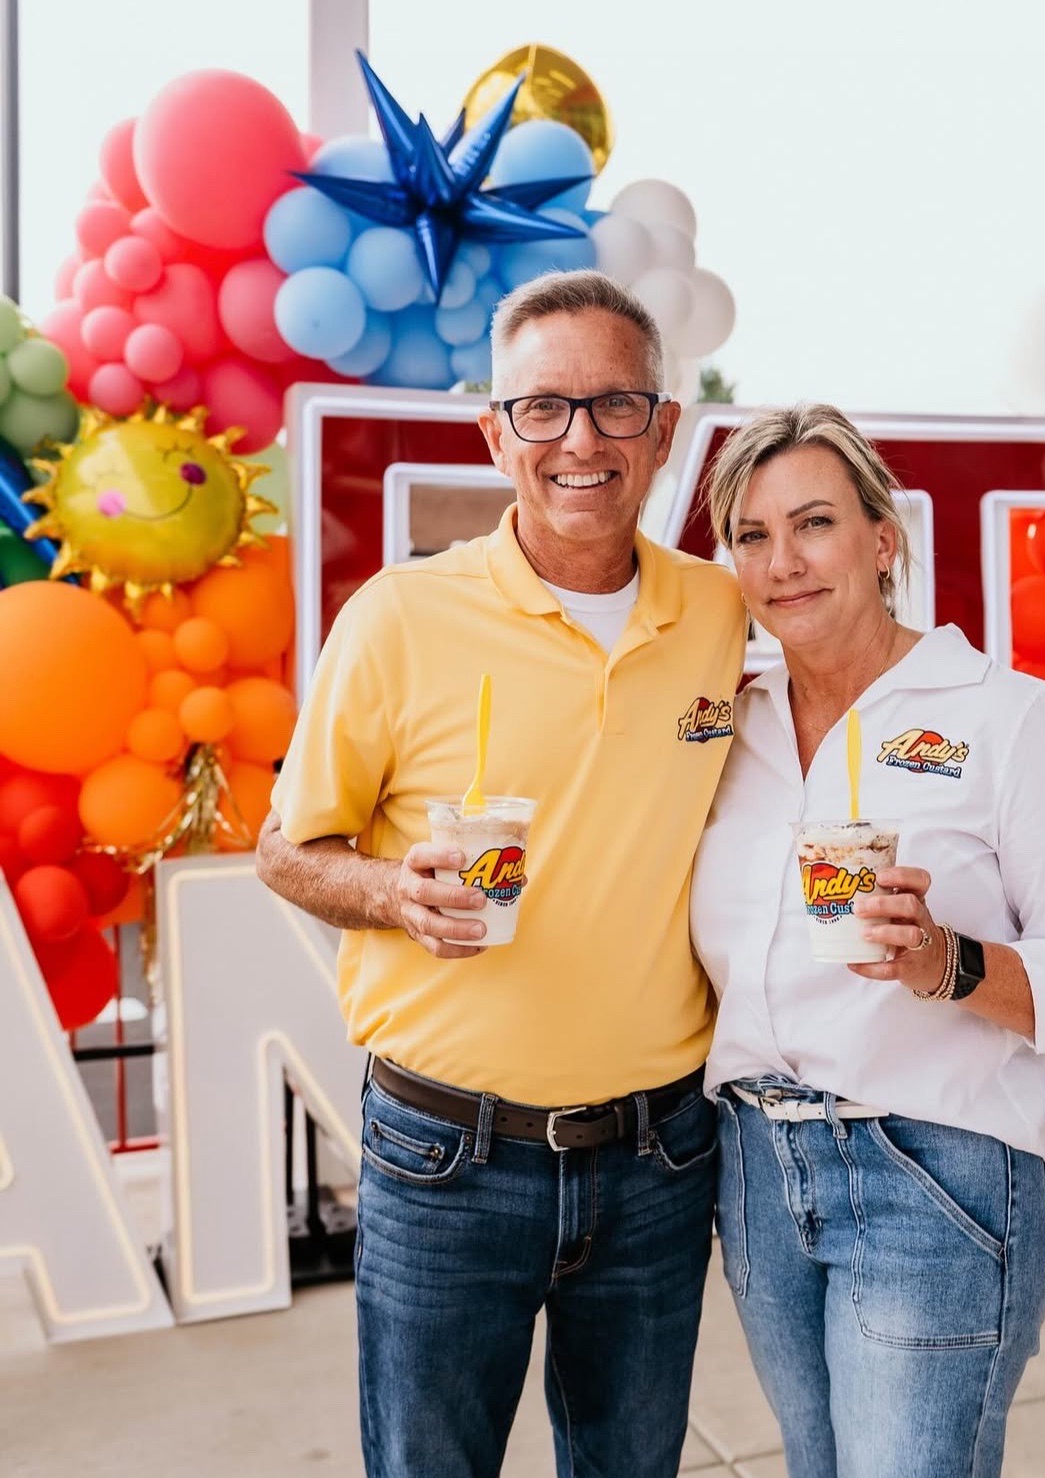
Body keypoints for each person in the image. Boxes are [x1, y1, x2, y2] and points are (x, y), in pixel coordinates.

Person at [255, 269, 747, 1478]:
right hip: (446, 1158)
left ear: (665, 428)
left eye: (616, 405)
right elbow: (286, 846)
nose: (580, 439)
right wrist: (392, 892)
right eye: (544, 408)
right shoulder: (399, 616)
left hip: (660, 1157)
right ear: (495, 430)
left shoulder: (721, 614)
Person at [691, 403, 1045, 1478]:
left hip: (932, 1171)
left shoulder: (1006, 718)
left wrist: (951, 962)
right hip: (755, 1166)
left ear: (882, 538)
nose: (783, 562)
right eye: (751, 536)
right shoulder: (725, 727)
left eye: (813, 523)